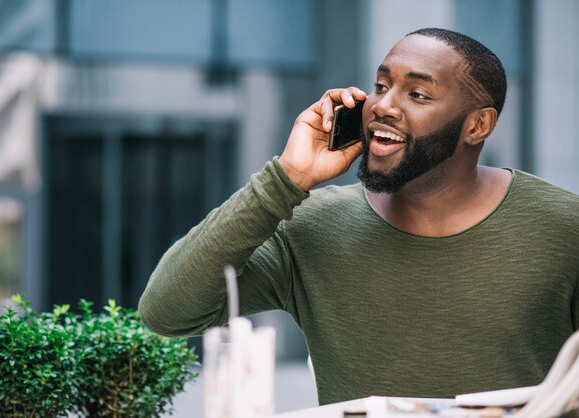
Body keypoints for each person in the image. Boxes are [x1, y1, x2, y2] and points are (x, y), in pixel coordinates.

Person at [139, 28, 579, 405]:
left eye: (418, 94)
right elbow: (167, 313)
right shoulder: (313, 225)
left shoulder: (564, 228)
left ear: (478, 126)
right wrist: (286, 179)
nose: (384, 106)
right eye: (381, 85)